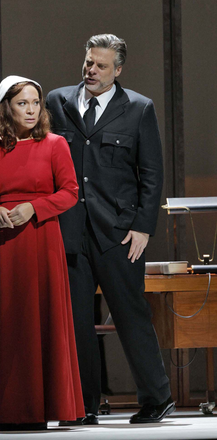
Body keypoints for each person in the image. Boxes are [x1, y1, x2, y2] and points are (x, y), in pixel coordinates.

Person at [46, 34, 175, 425]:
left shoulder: (138, 108)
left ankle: (157, 397)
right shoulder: (58, 101)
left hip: (119, 233)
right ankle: (82, 405)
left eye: (101, 66)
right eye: (88, 62)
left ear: (118, 69)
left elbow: (151, 173)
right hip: (70, 230)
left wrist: (143, 228)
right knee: (77, 320)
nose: (91, 71)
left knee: (130, 314)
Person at [0, 75, 85, 431]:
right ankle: (11, 409)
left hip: (41, 239)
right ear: (7, 108)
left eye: (36, 103)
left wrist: (34, 208)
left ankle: (46, 407)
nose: (32, 110)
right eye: (23, 103)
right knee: (8, 322)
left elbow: (70, 192)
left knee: (44, 319)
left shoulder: (54, 145)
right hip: (4, 246)